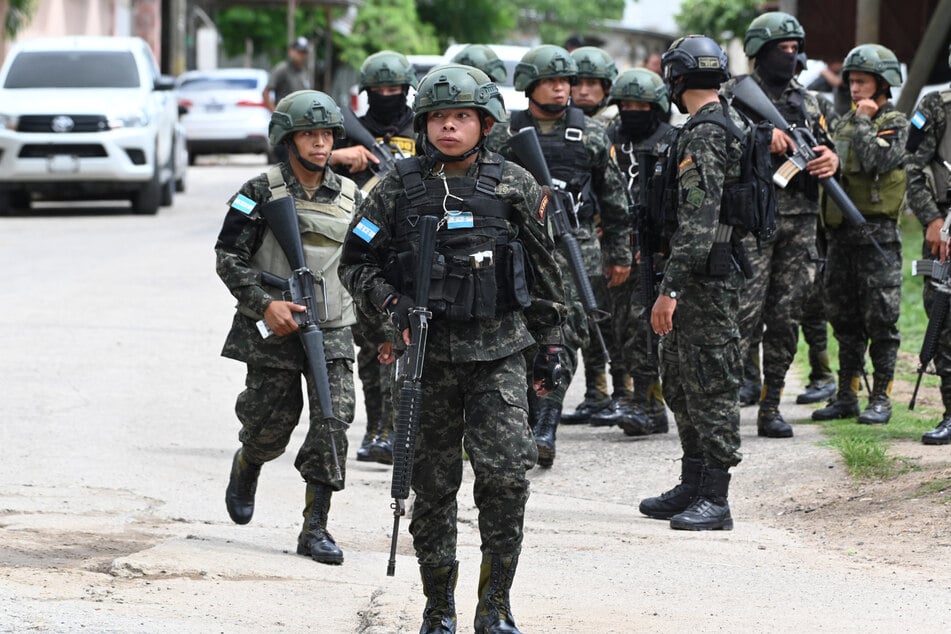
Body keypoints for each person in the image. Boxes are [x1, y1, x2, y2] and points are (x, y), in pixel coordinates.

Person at [339, 63, 566, 634]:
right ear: (423, 123)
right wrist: (392, 309)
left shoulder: (516, 183)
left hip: (499, 356)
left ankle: (494, 606)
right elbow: (355, 265)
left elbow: (546, 274)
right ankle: (438, 607)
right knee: (432, 487)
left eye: (462, 116)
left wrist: (553, 347)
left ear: (484, 123)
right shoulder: (395, 186)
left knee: (507, 478)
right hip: (426, 362)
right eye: (438, 117)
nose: (449, 127)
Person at [216, 90, 362, 565]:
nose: (320, 143)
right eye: (308, 134)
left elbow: (367, 266)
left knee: (333, 420)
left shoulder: (352, 196)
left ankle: (315, 526)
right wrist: (263, 306)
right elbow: (229, 257)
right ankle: (248, 463)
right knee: (267, 427)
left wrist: (382, 333)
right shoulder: (259, 190)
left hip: (334, 327)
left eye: (325, 134)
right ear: (288, 138)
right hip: (277, 328)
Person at [486, 44, 632, 466]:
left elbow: (614, 198)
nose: (561, 89)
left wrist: (619, 253)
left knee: (566, 336)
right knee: (517, 334)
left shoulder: (589, 133)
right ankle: (526, 421)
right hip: (515, 248)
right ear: (529, 85)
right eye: (551, 81)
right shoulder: (503, 133)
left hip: (574, 247)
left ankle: (545, 426)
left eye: (566, 81)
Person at [637, 35, 746, 531]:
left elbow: (699, 222)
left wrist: (669, 290)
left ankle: (716, 498)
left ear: (675, 79)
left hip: (703, 280)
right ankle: (694, 481)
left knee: (710, 384)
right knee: (681, 382)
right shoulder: (718, 123)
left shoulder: (705, 133)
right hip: (696, 273)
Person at [721, 11, 840, 438]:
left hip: (800, 224)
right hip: (753, 222)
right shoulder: (731, 98)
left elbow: (831, 143)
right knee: (742, 317)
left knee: (786, 319)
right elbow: (712, 146)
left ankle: (771, 406)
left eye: (795, 49)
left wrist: (832, 158)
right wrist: (758, 138)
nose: (790, 57)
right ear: (759, 52)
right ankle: (727, 406)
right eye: (781, 50)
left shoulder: (811, 102)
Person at [331, 50, 420, 465]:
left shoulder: (422, 129)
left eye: (394, 89)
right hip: (362, 245)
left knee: (403, 341)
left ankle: (401, 429)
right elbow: (295, 157)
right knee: (370, 346)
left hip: (411, 246)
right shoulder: (353, 132)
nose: (387, 96)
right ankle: (376, 429)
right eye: (379, 90)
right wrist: (340, 158)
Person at [812, 44, 907, 425]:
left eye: (862, 82)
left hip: (877, 237)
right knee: (844, 321)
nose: (854, 89)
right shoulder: (843, 122)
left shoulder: (895, 122)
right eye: (851, 81)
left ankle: (880, 398)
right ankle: (847, 395)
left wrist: (867, 120)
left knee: (881, 321)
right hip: (840, 238)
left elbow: (878, 161)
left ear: (882, 85)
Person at [601, 68, 678, 436]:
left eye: (641, 105)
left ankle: (652, 405)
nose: (633, 110)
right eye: (626, 104)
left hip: (655, 251)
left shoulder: (672, 140)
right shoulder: (607, 139)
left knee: (643, 328)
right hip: (616, 247)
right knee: (619, 327)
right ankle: (632, 398)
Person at [906, 44, 951, 445]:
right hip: (945, 231)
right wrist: (932, 219)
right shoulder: (935, 105)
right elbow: (914, 167)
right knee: (943, 317)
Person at [263, 37, 312, 163]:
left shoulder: (303, 71)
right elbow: (266, 92)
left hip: (301, 123)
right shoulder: (282, 69)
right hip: (286, 124)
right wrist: (275, 115)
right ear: (291, 51)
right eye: (299, 52)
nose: (301, 56)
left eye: (304, 53)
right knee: (286, 161)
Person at [570, 46, 618, 122]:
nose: (583, 92)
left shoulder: (618, 123)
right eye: (576, 83)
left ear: (607, 87)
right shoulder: (555, 119)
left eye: (591, 83)